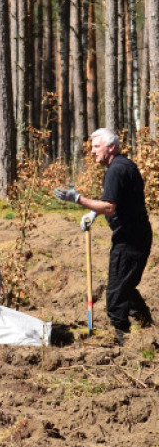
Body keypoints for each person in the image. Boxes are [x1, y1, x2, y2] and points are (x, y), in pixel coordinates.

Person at [55, 127, 153, 341]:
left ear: (111, 147)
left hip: (129, 239)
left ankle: (122, 339)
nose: (92, 151)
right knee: (125, 285)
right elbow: (117, 200)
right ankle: (149, 328)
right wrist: (93, 212)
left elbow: (109, 206)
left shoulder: (116, 170)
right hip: (137, 235)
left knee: (115, 294)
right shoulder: (123, 166)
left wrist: (78, 199)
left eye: (96, 146)